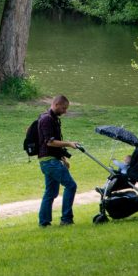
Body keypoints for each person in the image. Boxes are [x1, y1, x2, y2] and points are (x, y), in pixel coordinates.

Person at [37, 95, 81, 227]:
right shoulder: (46, 119)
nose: (65, 111)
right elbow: (50, 142)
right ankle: (66, 219)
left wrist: (63, 158)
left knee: (51, 192)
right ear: (56, 104)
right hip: (49, 161)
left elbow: (54, 143)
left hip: (51, 160)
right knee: (71, 185)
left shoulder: (53, 119)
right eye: (63, 108)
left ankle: (44, 222)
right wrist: (69, 144)